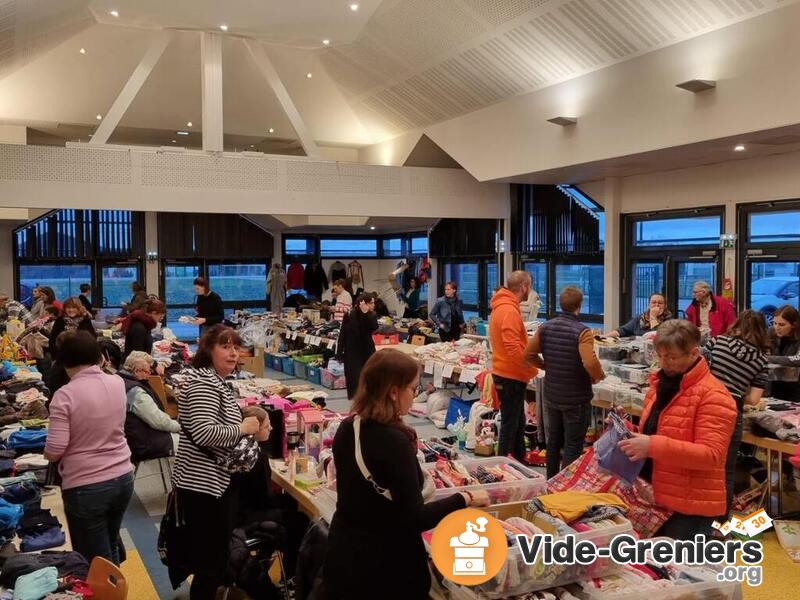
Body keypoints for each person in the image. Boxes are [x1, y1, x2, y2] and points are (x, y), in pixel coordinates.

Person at [323, 350, 490, 599]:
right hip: (385, 569)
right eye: (412, 389)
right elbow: (414, 518)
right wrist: (464, 498)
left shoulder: (348, 428)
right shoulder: (394, 443)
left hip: (344, 555)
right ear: (393, 391)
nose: (415, 395)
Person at [617, 320, 736, 540]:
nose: (664, 363)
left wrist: (650, 445)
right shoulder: (660, 384)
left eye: (671, 357)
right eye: (660, 356)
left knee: (683, 570)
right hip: (655, 496)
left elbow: (711, 456)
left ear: (693, 353)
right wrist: (628, 430)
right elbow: (660, 431)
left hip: (690, 506)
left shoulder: (714, 396)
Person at [172, 325, 262, 600]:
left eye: (236, 347)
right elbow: (203, 431)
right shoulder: (204, 384)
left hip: (212, 481)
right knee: (209, 562)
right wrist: (243, 428)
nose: (233, 353)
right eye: (225, 346)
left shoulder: (213, 380)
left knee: (214, 557)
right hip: (204, 486)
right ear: (208, 350)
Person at [43, 331, 134, 564]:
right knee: (110, 544)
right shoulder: (117, 382)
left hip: (86, 485)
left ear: (63, 361)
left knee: (95, 559)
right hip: (123, 475)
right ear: (98, 356)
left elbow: (55, 450)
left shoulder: (65, 396)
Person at [524, 286, 605, 478]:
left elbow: (528, 354)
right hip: (576, 398)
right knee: (573, 445)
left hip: (552, 394)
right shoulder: (583, 332)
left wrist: (545, 366)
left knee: (554, 442)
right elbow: (590, 361)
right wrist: (598, 376)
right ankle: (565, 487)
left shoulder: (545, 327)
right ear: (579, 305)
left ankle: (550, 480)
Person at [702, 310, 769, 518]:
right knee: (727, 469)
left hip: (706, 405)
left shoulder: (718, 342)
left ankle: (698, 515)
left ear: (737, 325)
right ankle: (721, 522)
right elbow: (754, 399)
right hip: (733, 411)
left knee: (701, 461)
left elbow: (698, 366)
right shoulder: (761, 360)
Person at [489, 271, 538, 462]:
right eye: (530, 286)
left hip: (507, 373)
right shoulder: (508, 310)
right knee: (510, 424)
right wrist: (529, 367)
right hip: (511, 375)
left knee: (518, 421)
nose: (531, 291)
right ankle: (499, 465)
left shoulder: (502, 306)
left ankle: (520, 460)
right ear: (524, 287)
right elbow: (512, 347)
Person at [118, 351, 179, 463]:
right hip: (144, 444)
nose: (149, 375)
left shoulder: (119, 380)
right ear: (136, 371)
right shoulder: (136, 392)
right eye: (147, 371)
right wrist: (181, 427)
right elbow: (159, 421)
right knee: (188, 445)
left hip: (131, 439)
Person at [337, 293, 379, 400]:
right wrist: (339, 351)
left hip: (367, 350)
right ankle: (356, 401)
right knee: (354, 377)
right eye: (371, 303)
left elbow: (374, 328)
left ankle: (368, 400)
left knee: (369, 376)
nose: (374, 305)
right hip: (352, 351)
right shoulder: (349, 314)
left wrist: (366, 314)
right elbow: (343, 334)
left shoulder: (372, 315)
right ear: (363, 303)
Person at [769, 305, 800, 401]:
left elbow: (797, 359)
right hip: (774, 388)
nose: (777, 328)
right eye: (774, 323)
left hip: (796, 390)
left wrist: (769, 358)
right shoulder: (771, 333)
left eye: (782, 325)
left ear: (794, 324)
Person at [608, 293, 673, 337]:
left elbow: (655, 336)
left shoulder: (669, 321)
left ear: (665, 306)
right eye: (653, 302)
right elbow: (623, 330)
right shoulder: (640, 318)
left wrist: (653, 316)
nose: (657, 305)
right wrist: (604, 337)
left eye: (660, 303)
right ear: (649, 305)